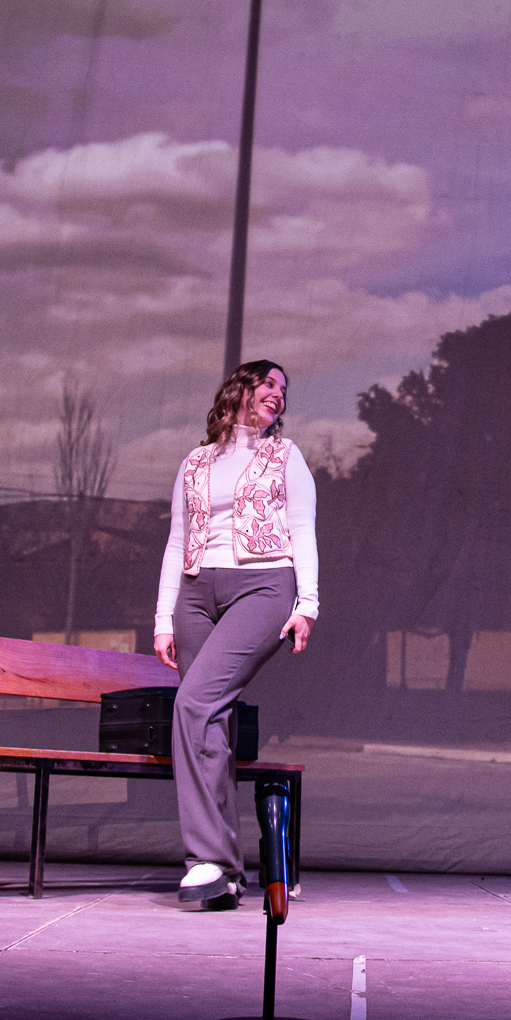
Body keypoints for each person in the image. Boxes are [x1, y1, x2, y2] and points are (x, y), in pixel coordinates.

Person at [153, 360, 317, 907]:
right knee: (212, 722)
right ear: (241, 389)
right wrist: (163, 617)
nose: (278, 394)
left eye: (283, 390)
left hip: (264, 584)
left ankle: (204, 859)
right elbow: (177, 542)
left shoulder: (286, 456)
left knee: (194, 703)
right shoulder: (195, 461)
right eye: (268, 384)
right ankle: (224, 872)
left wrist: (308, 604)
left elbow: (303, 529)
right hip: (195, 591)